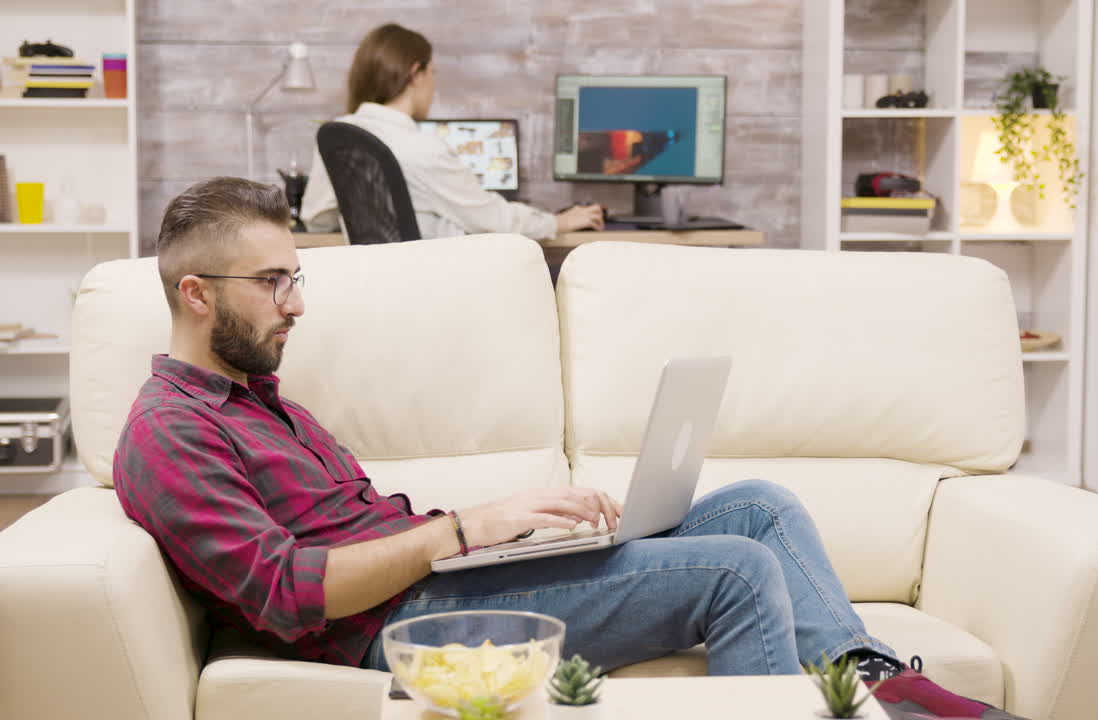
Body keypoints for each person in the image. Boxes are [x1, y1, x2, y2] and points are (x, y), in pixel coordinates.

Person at [115, 177, 1026, 720]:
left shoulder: (258, 399)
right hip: (391, 632)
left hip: (439, 579)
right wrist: (463, 530)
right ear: (197, 294)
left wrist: (529, 537)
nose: (297, 303)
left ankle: (869, 679)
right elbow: (284, 594)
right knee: (738, 569)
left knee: (760, 506)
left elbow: (355, 526)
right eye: (275, 282)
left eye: (295, 277)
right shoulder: (170, 435)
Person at [300, 23, 602, 241]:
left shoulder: (340, 136)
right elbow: (493, 220)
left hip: (378, 288)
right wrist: (559, 221)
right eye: (433, 73)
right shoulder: (419, 148)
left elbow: (316, 220)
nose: (434, 83)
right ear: (416, 73)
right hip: (436, 286)